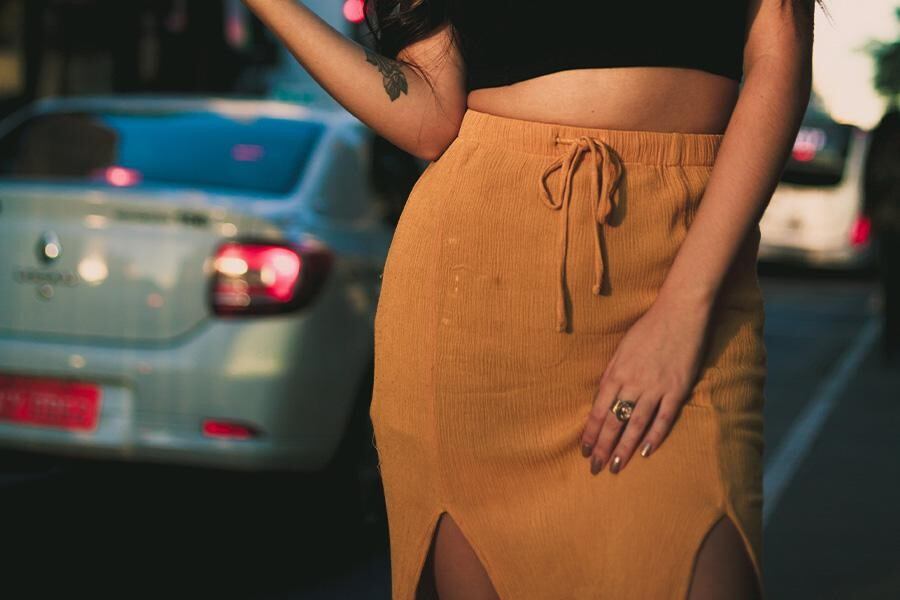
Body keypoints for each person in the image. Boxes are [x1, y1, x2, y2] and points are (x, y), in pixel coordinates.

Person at [241, 0, 817, 598]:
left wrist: (684, 307)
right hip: (479, 288)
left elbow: (779, 62)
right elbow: (429, 116)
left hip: (688, 259)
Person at [862, 106, 900, 361]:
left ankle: (890, 343)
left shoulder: (882, 142)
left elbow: (871, 179)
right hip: (888, 221)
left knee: (891, 285)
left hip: (887, 222)